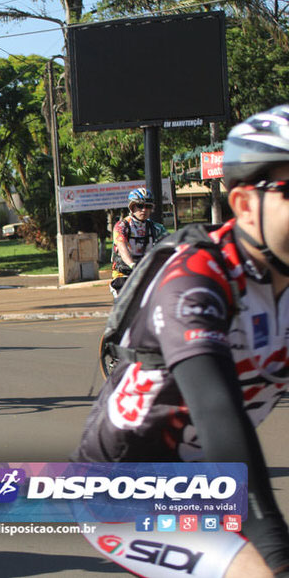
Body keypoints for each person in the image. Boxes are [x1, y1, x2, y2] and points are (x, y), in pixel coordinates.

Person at [74, 105, 289, 577]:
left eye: (146, 207)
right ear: (245, 203)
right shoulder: (198, 279)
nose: (143, 211)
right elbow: (220, 418)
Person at [109, 188, 167, 298]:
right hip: (124, 275)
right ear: (132, 207)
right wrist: (132, 265)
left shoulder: (156, 228)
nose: (144, 210)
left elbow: (171, 243)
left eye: (148, 206)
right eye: (140, 206)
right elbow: (122, 247)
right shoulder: (122, 226)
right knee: (126, 306)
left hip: (146, 274)